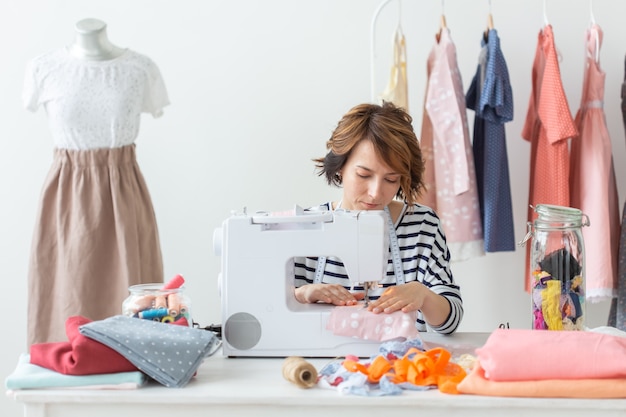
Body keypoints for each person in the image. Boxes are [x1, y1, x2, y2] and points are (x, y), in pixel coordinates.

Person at [23, 18, 168, 346]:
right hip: (66, 199)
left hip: (124, 194)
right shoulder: (44, 68)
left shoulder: (139, 68)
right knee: (65, 303)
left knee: (134, 307)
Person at [293, 101, 463, 334]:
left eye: (391, 179)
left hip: (402, 365)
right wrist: (301, 294)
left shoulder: (423, 225)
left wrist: (423, 295)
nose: (375, 192)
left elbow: (450, 322)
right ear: (341, 167)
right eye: (364, 175)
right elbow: (270, 310)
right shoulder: (307, 226)